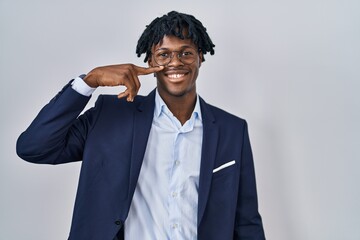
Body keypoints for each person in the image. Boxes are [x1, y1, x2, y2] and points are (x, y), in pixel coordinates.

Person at [16, 11, 265, 240]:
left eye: (186, 53)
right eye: (164, 54)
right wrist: (89, 81)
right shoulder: (110, 116)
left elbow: (246, 223)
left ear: (200, 57)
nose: (175, 62)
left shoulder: (232, 130)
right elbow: (34, 147)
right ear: (149, 61)